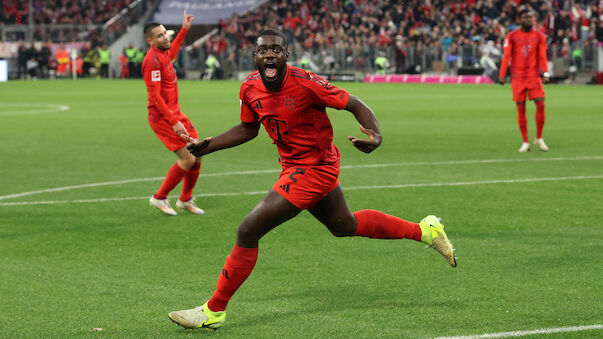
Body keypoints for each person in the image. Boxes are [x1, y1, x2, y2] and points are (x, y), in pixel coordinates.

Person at [168, 29, 457, 330]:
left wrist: (376, 134)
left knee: (248, 230)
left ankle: (213, 311)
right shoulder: (249, 88)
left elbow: (355, 103)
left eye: (276, 50)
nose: (269, 54)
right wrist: (208, 147)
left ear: (286, 55)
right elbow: (248, 128)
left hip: (315, 168)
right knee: (344, 225)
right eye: (263, 50)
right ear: (254, 56)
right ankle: (426, 231)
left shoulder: (307, 84)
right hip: (294, 166)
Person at [142, 11, 205, 216]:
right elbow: (155, 97)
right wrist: (174, 121)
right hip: (163, 118)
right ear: (150, 40)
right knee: (188, 159)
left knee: (198, 153)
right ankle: (159, 197)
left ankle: (185, 200)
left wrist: (184, 28)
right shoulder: (152, 61)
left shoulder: (164, 54)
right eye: (159, 35)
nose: (165, 37)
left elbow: (174, 49)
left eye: (165, 33)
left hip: (175, 114)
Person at [499, 9, 550, 153]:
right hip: (517, 78)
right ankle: (525, 141)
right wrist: (502, 74)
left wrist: (545, 73)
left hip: (533, 77)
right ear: (519, 19)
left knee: (541, 104)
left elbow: (542, 56)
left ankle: (539, 138)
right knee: (521, 108)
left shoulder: (539, 36)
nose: (529, 20)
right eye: (526, 18)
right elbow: (507, 56)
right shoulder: (512, 36)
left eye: (530, 18)